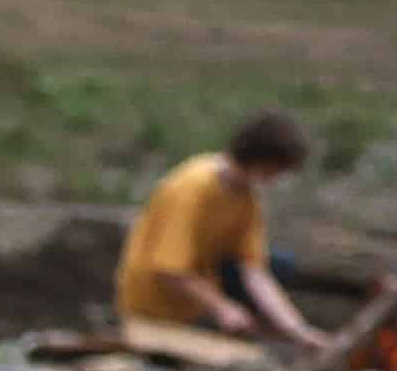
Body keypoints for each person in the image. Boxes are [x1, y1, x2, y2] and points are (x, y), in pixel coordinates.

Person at [119, 111, 319, 344]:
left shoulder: (244, 197)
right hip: (155, 298)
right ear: (262, 161)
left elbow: (254, 270)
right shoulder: (192, 189)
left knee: (280, 264)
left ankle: (240, 326)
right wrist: (221, 307)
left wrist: (296, 328)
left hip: (199, 280)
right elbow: (168, 270)